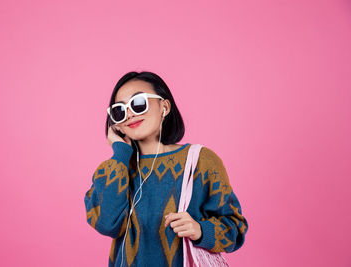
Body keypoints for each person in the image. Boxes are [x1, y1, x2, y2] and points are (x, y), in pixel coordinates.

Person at [84, 71, 248, 267]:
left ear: (164, 106)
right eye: (119, 110)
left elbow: (235, 229)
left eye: (138, 103)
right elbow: (107, 224)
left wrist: (200, 230)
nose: (129, 114)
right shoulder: (113, 169)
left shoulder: (201, 161)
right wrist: (120, 152)